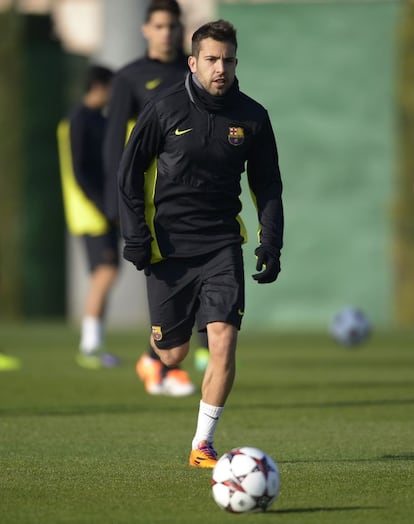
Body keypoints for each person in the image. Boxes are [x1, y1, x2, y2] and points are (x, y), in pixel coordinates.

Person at [117, 19, 284, 467]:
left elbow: (267, 184)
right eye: (211, 59)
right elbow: (128, 174)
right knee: (172, 351)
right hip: (168, 249)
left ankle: (202, 444)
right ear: (193, 63)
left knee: (224, 341)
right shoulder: (163, 108)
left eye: (228, 60)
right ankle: (156, 359)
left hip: (221, 247)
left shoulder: (252, 117)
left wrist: (272, 243)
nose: (220, 69)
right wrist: (135, 234)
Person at [104, 0, 207, 395]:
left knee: (200, 278)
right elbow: (117, 145)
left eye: (172, 25)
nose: (166, 32)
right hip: (148, 203)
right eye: (159, 26)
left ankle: (156, 361)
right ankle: (160, 363)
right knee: (170, 280)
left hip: (191, 198)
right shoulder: (130, 78)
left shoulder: (194, 71)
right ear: (146, 29)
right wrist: (117, 205)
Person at [57, 65, 120, 369]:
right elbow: (80, 172)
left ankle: (96, 343)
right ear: (98, 86)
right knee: (104, 273)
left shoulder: (99, 119)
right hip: (91, 212)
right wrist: (104, 206)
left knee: (107, 272)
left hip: (102, 209)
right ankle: (89, 345)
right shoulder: (80, 119)